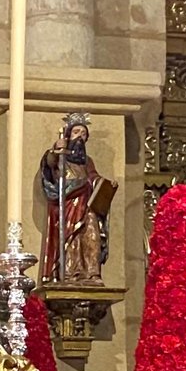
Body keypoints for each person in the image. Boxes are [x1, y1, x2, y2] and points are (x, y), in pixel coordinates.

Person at [38, 113, 117, 284]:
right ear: (67, 136)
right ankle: (70, 274)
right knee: (71, 239)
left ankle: (92, 273)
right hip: (68, 206)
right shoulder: (60, 157)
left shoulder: (87, 161)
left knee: (92, 235)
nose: (80, 137)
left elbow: (93, 177)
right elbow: (49, 163)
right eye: (76, 132)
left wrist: (104, 185)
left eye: (83, 133)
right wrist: (55, 150)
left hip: (87, 204)